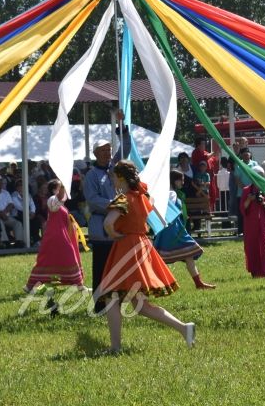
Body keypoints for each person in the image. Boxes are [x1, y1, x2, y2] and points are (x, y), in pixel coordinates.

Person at [100, 160, 194, 353]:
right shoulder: (142, 196)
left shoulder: (123, 198)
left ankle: (115, 347)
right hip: (142, 246)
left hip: (126, 248)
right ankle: (184, 328)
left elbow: (109, 223)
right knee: (139, 305)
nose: (112, 180)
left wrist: (114, 234)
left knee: (111, 297)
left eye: (113, 177)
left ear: (120, 177)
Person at [83, 120, 131, 312]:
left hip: (119, 226)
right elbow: (92, 200)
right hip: (101, 229)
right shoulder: (91, 176)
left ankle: (117, 301)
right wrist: (115, 205)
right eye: (103, 150)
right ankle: (99, 304)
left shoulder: (115, 167)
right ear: (96, 153)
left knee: (118, 266)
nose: (107, 153)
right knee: (101, 268)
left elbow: (126, 146)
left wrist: (122, 127)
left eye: (109, 149)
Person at [153, 170, 215, 290]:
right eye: (180, 180)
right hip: (172, 229)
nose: (182, 182)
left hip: (173, 227)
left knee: (188, 255)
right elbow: (168, 208)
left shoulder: (170, 193)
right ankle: (158, 284)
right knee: (166, 257)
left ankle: (198, 283)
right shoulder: (171, 193)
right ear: (174, 180)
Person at [25, 179, 85, 293]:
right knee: (68, 257)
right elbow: (57, 201)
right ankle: (78, 284)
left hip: (60, 236)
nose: (62, 190)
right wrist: (63, 184)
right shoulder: (52, 199)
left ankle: (78, 284)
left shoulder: (60, 203)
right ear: (54, 189)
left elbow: (63, 198)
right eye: (59, 187)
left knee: (49, 260)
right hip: (56, 236)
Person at [241, 174, 265, 278]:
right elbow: (243, 208)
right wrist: (249, 199)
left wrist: (263, 203)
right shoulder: (247, 190)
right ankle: (255, 272)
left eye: (261, 176)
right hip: (251, 223)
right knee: (252, 245)